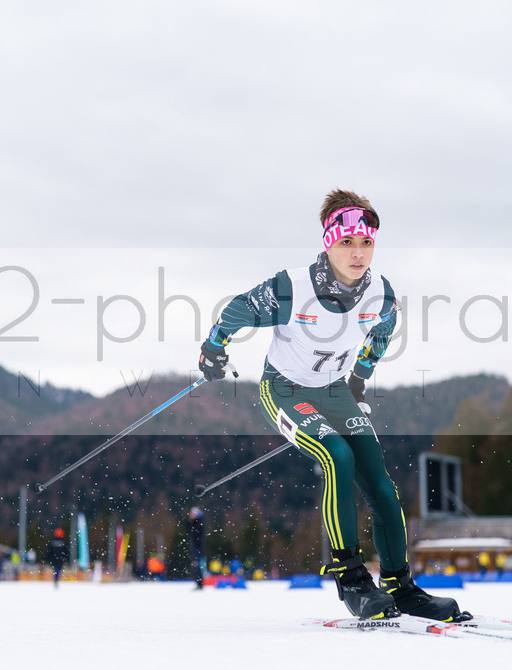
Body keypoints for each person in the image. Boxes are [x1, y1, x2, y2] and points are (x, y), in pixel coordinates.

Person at [197, 189, 470, 622]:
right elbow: (238, 309)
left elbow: (379, 338)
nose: (358, 252)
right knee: (336, 454)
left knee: (379, 480)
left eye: (366, 242)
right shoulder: (293, 287)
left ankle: (400, 586)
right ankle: (351, 579)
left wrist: (359, 379)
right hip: (285, 389)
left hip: (336, 391)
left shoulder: (381, 293)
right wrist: (214, 350)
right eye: (347, 242)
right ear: (329, 242)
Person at [186, 507, 205, 589]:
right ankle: (198, 583)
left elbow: (195, 535)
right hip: (196, 548)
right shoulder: (195, 524)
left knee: (197, 566)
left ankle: (199, 583)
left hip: (197, 548)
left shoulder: (198, 524)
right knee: (196, 566)